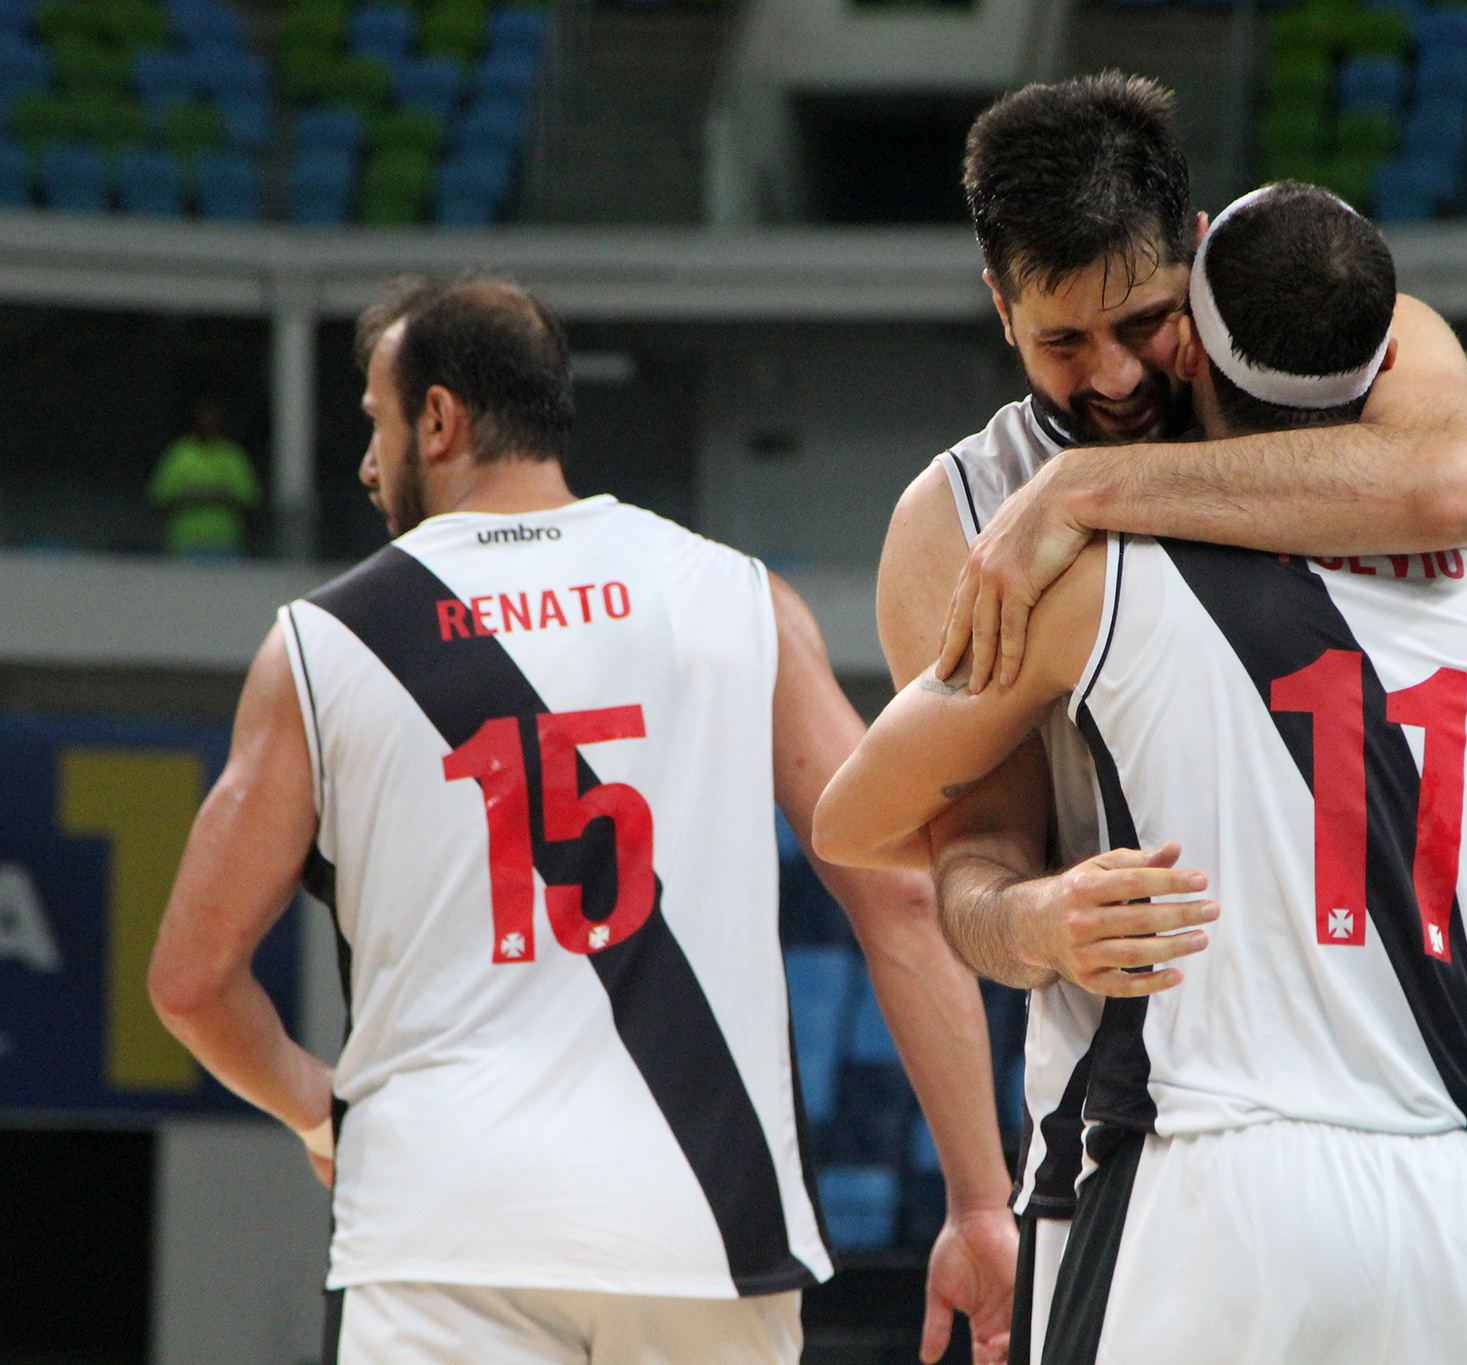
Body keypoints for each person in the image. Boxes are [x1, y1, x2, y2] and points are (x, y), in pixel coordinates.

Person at [147, 277, 1017, 1365]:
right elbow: (900, 896)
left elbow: (190, 981)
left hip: (438, 1229)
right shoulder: (737, 597)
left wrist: (321, 1113)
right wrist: (980, 1203)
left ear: (438, 419)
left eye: (376, 423)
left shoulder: (323, 644)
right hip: (707, 1224)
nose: (368, 464)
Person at [818, 182, 1467, 1363]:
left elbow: (851, 817)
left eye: (1140, 326)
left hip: (1202, 1174)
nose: (1114, 373)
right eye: (1065, 339)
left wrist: (1080, 500)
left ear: (1193, 326)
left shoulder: (1104, 579)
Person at [150, 396, 263, 558]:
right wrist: (190, 496)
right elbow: (160, 497)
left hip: (226, 543)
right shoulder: (179, 454)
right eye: (204, 417)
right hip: (186, 543)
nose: (208, 422)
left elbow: (250, 497)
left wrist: (221, 496)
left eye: (213, 418)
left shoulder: (232, 455)